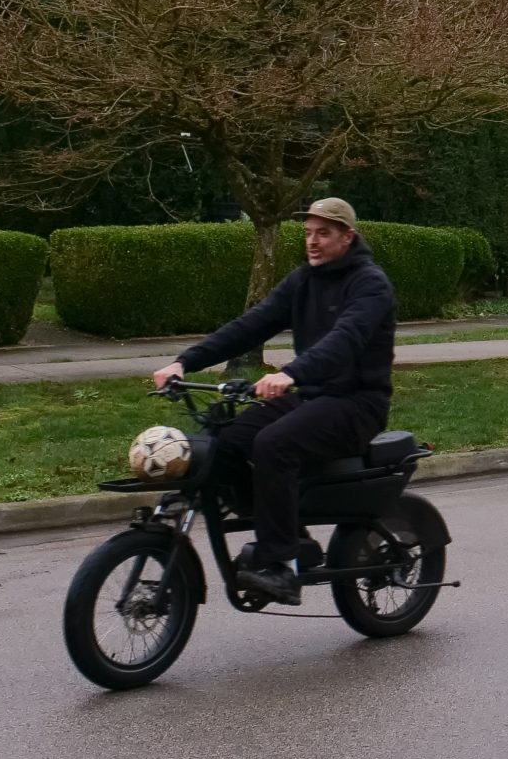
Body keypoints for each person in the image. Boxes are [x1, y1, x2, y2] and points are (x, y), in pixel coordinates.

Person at [152, 199, 396, 604]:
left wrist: (291, 373)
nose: (312, 242)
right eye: (307, 233)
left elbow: (345, 340)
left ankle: (282, 568)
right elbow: (251, 325)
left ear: (347, 237)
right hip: (313, 397)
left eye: (323, 233)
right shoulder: (303, 281)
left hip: (357, 404)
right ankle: (287, 532)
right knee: (225, 441)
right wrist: (184, 362)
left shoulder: (370, 284)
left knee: (273, 444)